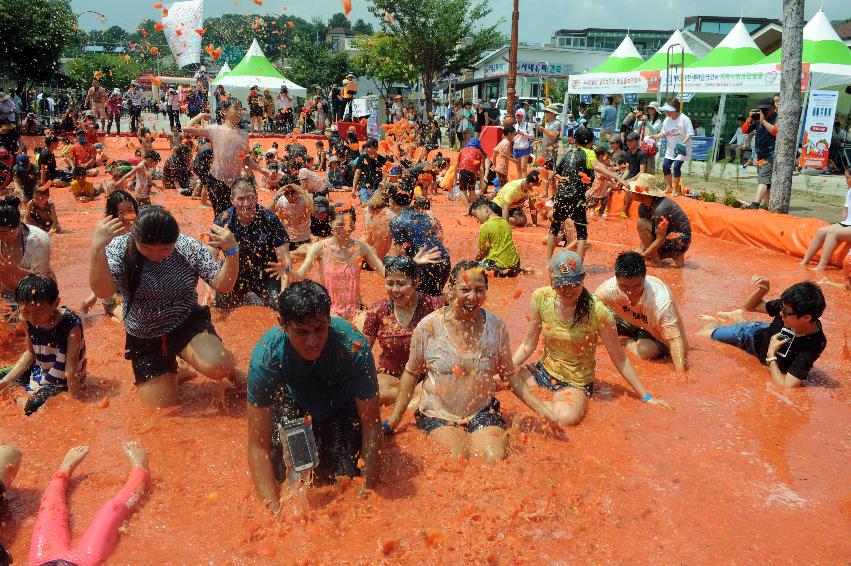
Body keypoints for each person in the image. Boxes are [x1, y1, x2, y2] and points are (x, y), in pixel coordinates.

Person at [384, 261, 558, 462]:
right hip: (438, 413)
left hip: (481, 410)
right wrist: (395, 419)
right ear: (450, 290)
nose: (472, 297)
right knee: (457, 456)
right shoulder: (428, 327)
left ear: (486, 291)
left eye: (479, 290)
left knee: (494, 458)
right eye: (465, 290)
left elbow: (510, 377)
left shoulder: (496, 327)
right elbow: (411, 373)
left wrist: (545, 411)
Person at [88, 205, 244, 407]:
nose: (156, 255)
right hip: (145, 335)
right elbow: (104, 292)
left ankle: (228, 369)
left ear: (175, 240)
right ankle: (176, 369)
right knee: (162, 409)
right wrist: (96, 249)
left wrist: (232, 251)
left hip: (186, 323)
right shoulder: (119, 247)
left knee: (218, 366)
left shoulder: (187, 247)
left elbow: (224, 285)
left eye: (164, 249)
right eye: (147, 249)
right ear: (135, 239)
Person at [247, 281, 381, 510]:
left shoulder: (354, 346)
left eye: (320, 329)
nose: (312, 341)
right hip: (293, 402)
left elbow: (371, 425)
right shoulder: (267, 356)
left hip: (340, 404)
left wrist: (367, 493)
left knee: (342, 481)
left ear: (329, 320)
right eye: (301, 332)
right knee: (294, 479)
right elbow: (257, 444)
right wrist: (272, 512)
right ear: (282, 325)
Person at [513, 251, 671, 426]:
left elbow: (620, 359)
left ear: (582, 278)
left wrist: (645, 395)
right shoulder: (540, 297)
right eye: (561, 284)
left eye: (573, 283)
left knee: (565, 418)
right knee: (496, 382)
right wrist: (507, 368)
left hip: (574, 384)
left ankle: (526, 412)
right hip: (543, 371)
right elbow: (528, 345)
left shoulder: (598, 312)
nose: (567, 290)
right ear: (551, 281)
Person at [26, 442, 149, 566]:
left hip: (43, 559)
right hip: (84, 561)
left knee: (49, 506)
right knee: (112, 509)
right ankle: (141, 470)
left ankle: (63, 471)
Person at [699, 278, 827, 388]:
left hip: (766, 334)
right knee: (703, 334)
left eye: (786, 313)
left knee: (756, 327)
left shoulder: (814, 343)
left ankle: (737, 318)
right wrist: (762, 291)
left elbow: (787, 385)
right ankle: (715, 322)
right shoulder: (788, 307)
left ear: (807, 317)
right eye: (781, 309)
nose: (781, 313)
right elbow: (749, 306)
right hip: (748, 335)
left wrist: (771, 353)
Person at [362, 256, 444, 405]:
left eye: (401, 284)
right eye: (390, 283)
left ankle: (411, 398)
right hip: (391, 377)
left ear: (416, 282)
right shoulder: (378, 310)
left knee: (441, 387)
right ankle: (414, 399)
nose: (395, 290)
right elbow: (363, 350)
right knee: (375, 392)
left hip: (423, 376)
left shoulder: (433, 307)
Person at [0, 275, 86, 415]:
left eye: (39, 311)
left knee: (32, 408)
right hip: (39, 368)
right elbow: (31, 353)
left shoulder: (71, 324)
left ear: (56, 303)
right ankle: (16, 388)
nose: (33, 318)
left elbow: (71, 369)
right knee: (2, 377)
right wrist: (5, 381)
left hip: (62, 380)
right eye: (26, 311)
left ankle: (18, 396)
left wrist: (75, 403)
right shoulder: (26, 319)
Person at [594, 251, 688, 372]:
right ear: (616, 278)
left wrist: (681, 374)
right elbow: (590, 307)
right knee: (599, 315)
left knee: (645, 351)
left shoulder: (660, 301)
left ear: (645, 276)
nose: (630, 291)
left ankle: (627, 342)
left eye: (636, 286)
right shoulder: (610, 288)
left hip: (653, 334)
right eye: (624, 287)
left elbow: (675, 340)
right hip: (625, 320)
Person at [290, 207, 385, 321]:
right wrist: (286, 269)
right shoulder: (320, 248)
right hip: (328, 312)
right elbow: (300, 275)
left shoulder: (361, 248)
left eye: (349, 224)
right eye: (340, 225)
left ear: (354, 226)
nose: (344, 229)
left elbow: (384, 272)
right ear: (331, 223)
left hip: (355, 311)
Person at [547, 127, 627, 260]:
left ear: (575, 141)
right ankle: (578, 265)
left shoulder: (568, 153)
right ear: (590, 142)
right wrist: (618, 177)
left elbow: (555, 174)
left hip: (561, 195)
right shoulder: (589, 153)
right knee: (582, 233)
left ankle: (549, 262)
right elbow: (598, 166)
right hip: (576, 197)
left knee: (554, 228)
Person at [213, 176, 291, 310]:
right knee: (219, 306)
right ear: (232, 200)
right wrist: (210, 289)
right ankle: (246, 297)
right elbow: (209, 257)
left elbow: (286, 262)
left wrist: (284, 293)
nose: (246, 203)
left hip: (266, 274)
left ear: (256, 197)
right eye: (241, 199)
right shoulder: (223, 220)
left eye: (250, 197)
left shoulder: (270, 220)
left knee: (278, 305)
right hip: (235, 273)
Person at [183, 104, 270, 216]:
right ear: (224, 111)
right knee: (220, 215)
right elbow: (187, 129)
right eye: (236, 108)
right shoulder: (215, 129)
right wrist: (200, 116)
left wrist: (261, 169)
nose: (240, 112)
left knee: (236, 215)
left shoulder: (244, 135)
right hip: (217, 180)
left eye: (240, 109)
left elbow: (245, 159)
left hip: (235, 182)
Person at [81, 190, 138, 320]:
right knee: (130, 320)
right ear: (112, 215)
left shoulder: (141, 233)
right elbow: (103, 272)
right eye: (121, 212)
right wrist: (92, 297)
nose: (127, 216)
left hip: (137, 295)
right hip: (114, 296)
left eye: (130, 210)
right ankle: (113, 314)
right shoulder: (107, 239)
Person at [388, 185, 451, 297]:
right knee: (433, 299)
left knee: (414, 302)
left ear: (391, 201)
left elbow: (398, 254)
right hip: (444, 262)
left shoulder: (397, 221)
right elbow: (437, 238)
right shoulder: (423, 215)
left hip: (424, 265)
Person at [0, 196, 53, 320]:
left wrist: (15, 271)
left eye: (2, 233)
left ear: (18, 224)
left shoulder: (38, 239)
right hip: (5, 295)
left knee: (30, 324)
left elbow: (42, 280)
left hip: (36, 295)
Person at [626, 173, 691, 267]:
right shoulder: (642, 207)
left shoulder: (660, 208)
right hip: (666, 236)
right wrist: (641, 251)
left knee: (642, 224)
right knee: (637, 252)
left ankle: (664, 259)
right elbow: (647, 235)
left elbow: (660, 239)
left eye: (633, 190)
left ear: (642, 193)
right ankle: (668, 255)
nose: (631, 192)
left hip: (681, 241)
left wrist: (643, 257)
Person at [800, 167, 851, 272]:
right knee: (821, 231)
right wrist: (842, 224)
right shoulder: (850, 191)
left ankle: (820, 267)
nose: (845, 181)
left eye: (847, 178)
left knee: (832, 233)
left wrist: (841, 230)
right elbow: (846, 210)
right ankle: (804, 262)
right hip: (848, 223)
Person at [650, 98, 693, 196]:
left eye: (668, 111)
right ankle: (668, 187)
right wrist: (655, 137)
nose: (666, 112)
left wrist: (683, 143)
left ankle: (675, 189)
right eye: (666, 110)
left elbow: (689, 133)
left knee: (676, 166)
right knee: (665, 166)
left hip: (682, 148)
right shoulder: (667, 120)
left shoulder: (684, 119)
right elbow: (663, 133)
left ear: (675, 110)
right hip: (671, 148)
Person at [742, 98, 779, 209]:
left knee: (763, 178)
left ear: (773, 109)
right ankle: (767, 205)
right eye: (761, 109)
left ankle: (756, 204)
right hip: (760, 154)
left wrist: (763, 121)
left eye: (765, 109)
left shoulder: (777, 118)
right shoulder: (758, 118)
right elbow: (744, 130)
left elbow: (775, 131)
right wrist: (750, 118)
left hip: (770, 154)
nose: (763, 111)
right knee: (765, 181)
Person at [470, 198, 520, 277]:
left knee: (470, 269)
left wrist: (473, 263)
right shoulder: (504, 221)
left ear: (485, 208)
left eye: (476, 215)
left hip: (499, 268)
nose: (477, 220)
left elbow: (482, 254)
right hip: (515, 264)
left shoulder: (485, 226)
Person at [272, 183, 315, 251]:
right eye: (287, 194)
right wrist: (277, 194)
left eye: (292, 193)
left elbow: (312, 210)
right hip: (289, 239)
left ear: (297, 193)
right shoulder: (282, 200)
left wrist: (303, 192)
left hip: (304, 238)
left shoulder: (304, 199)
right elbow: (269, 212)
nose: (290, 197)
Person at [456, 138, 488, 204]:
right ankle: (472, 208)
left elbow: (456, 166)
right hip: (472, 172)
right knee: (472, 190)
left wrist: (455, 179)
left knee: (463, 190)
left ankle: (468, 208)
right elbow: (481, 169)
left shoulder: (462, 150)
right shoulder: (479, 153)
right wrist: (481, 183)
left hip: (462, 171)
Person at [488, 125, 517, 189]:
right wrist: (512, 160)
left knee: (501, 184)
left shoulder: (502, 141)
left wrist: (494, 163)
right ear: (509, 134)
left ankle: (497, 194)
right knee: (504, 185)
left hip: (499, 166)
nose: (514, 136)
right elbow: (502, 154)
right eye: (514, 134)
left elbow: (495, 151)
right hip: (503, 166)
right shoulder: (507, 143)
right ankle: (499, 196)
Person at [512, 108, 534, 178]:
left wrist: (523, 134)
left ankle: (524, 185)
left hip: (524, 148)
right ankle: (519, 185)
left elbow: (532, 136)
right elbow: (512, 138)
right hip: (516, 148)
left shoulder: (527, 125)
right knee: (518, 169)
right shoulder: (514, 126)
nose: (518, 117)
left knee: (523, 168)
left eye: (520, 116)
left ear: (523, 116)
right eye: (517, 115)